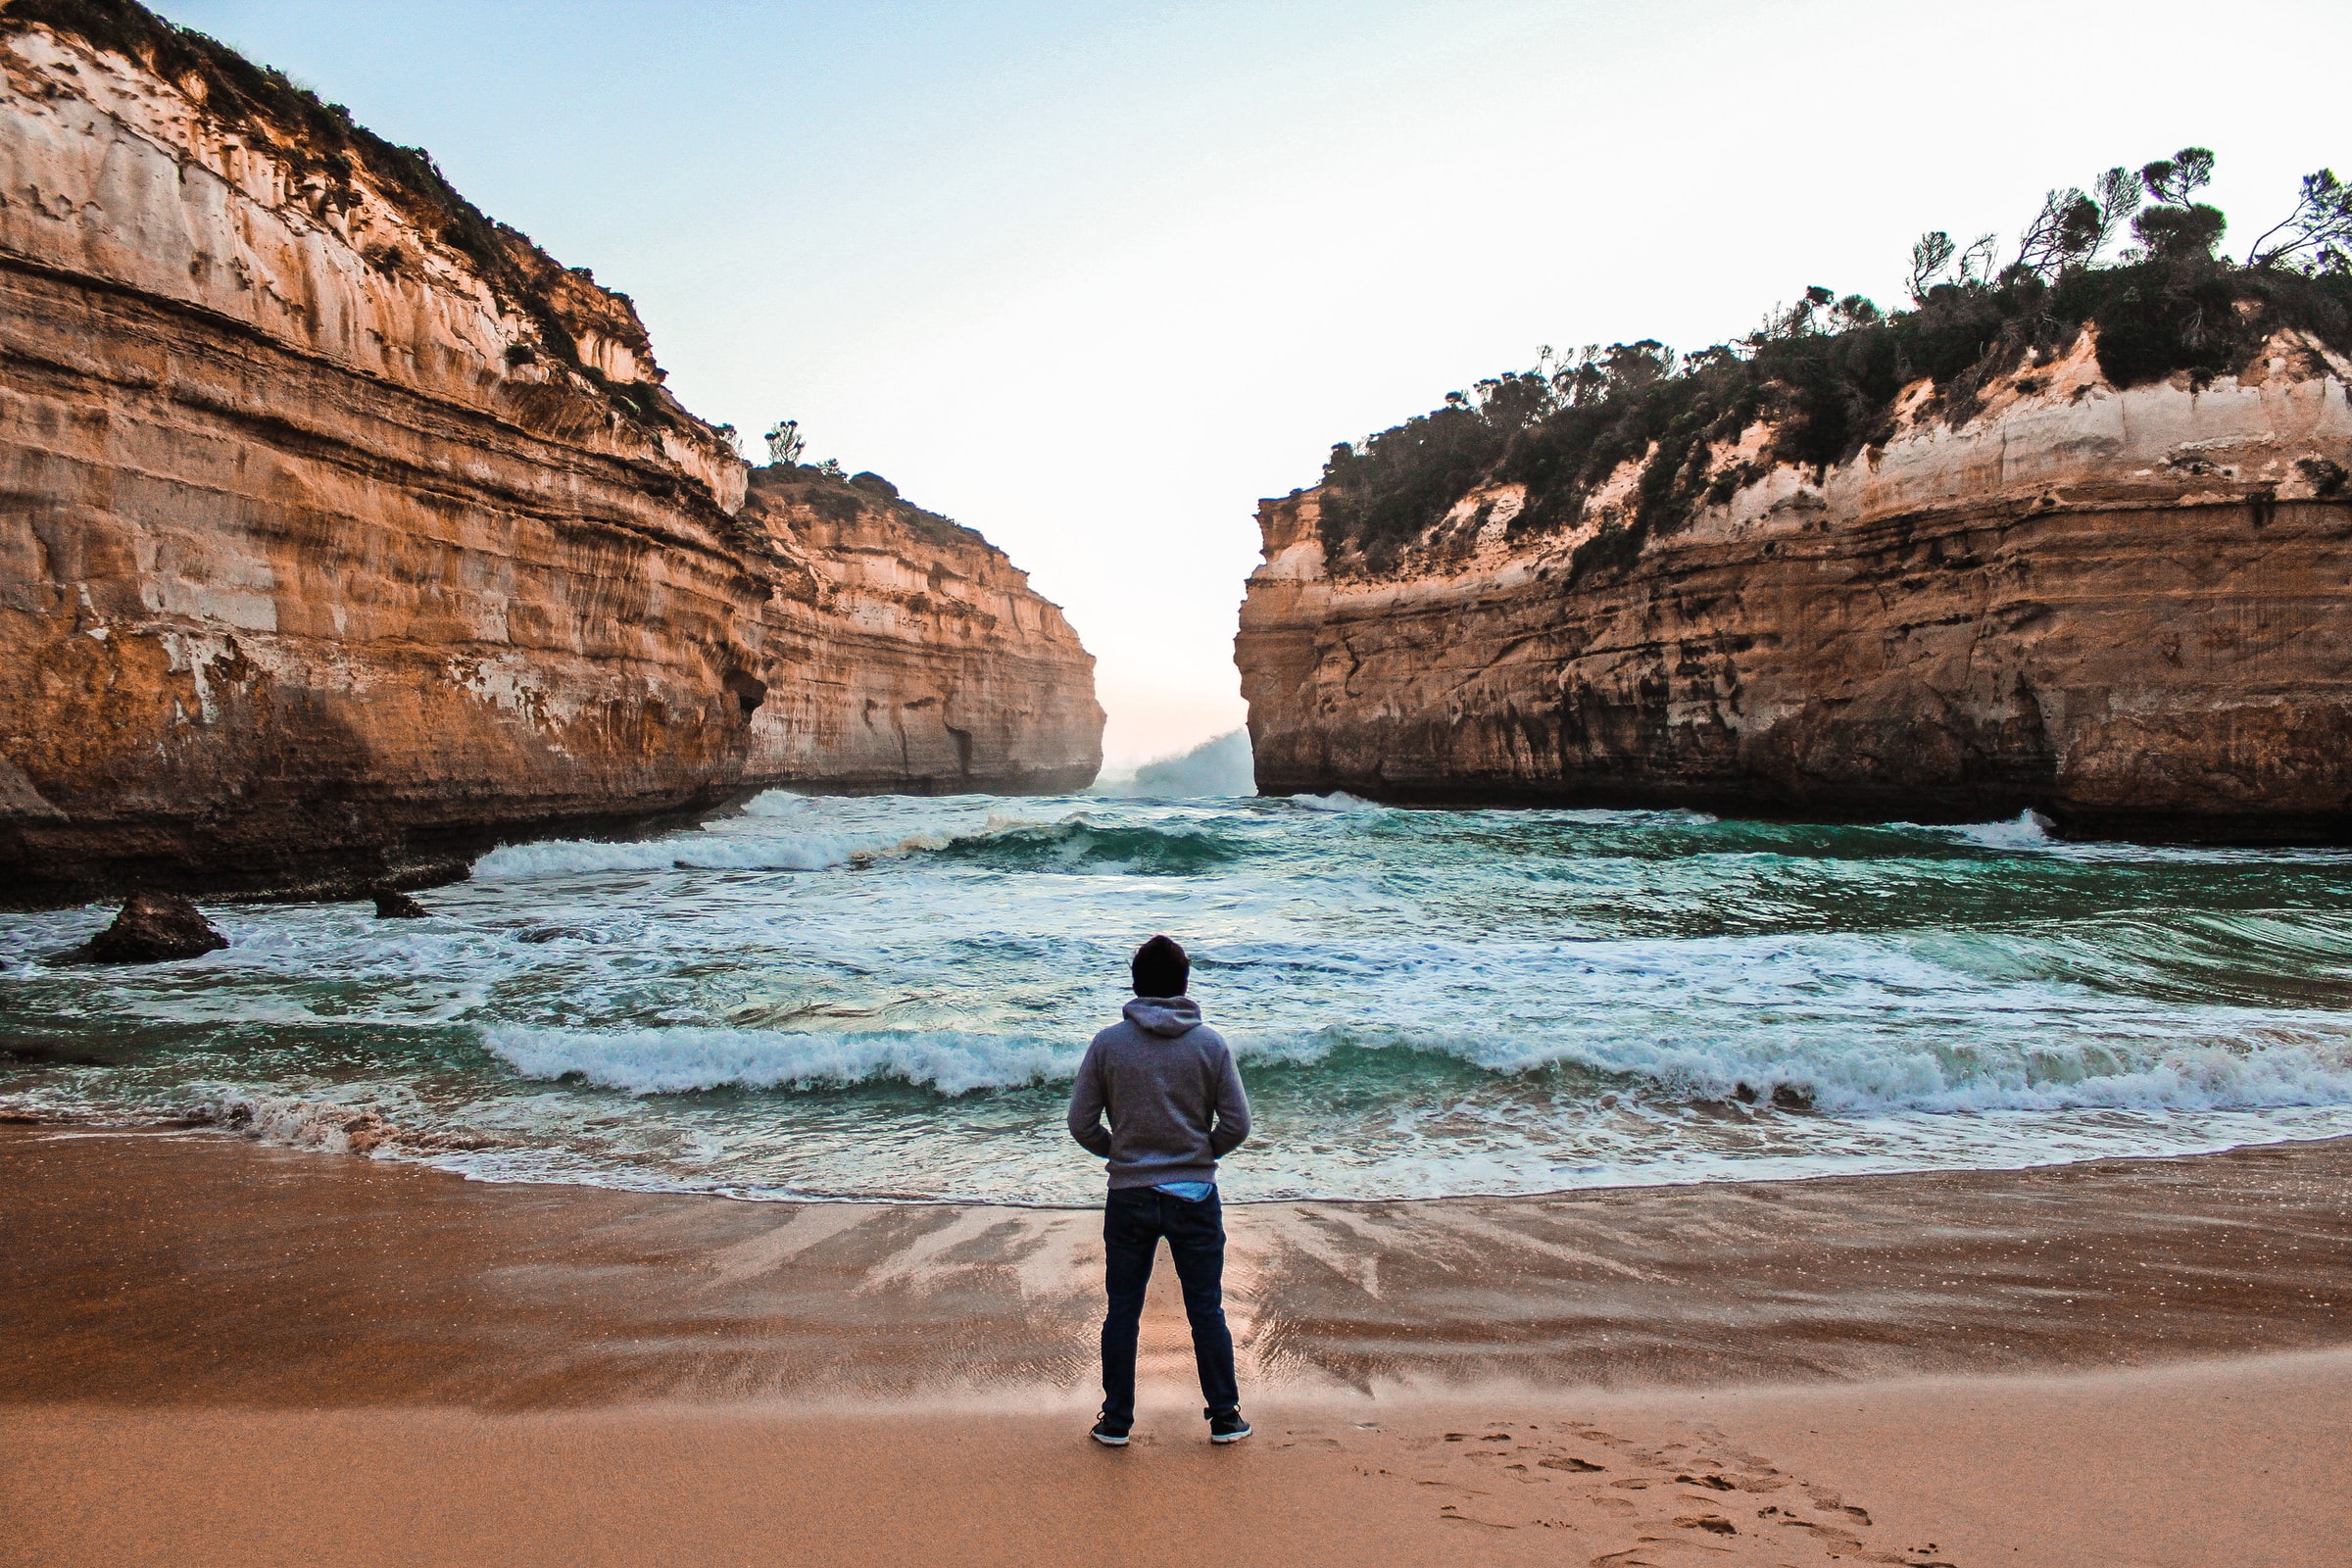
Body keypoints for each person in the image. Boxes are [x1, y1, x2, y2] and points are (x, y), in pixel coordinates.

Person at [1066, 933, 1252, 1446]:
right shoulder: (1210, 1044)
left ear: (1135, 984)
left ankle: (1117, 1420)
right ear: (1185, 982)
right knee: (1206, 1308)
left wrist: (1120, 1152)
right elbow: (1237, 1124)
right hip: (1194, 1195)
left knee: (1123, 1309)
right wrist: (1199, 1154)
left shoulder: (1108, 1044)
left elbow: (1080, 1123)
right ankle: (1224, 1416)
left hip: (1129, 1195)